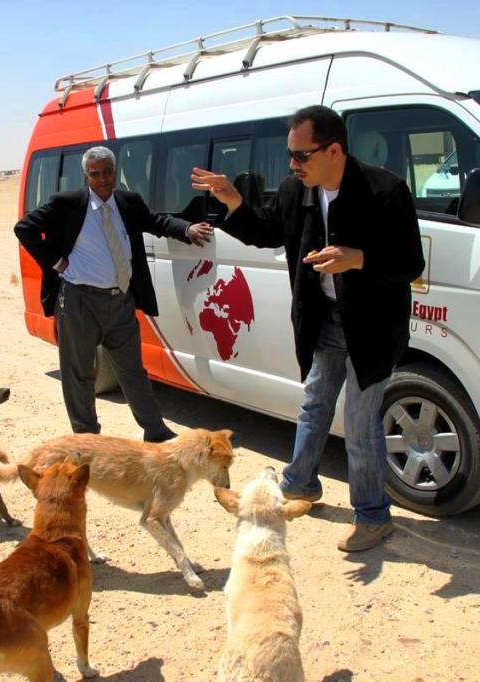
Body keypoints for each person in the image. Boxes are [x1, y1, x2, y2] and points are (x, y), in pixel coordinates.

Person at [191, 105, 425, 551]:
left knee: (360, 424)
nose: (293, 164)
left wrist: (357, 259)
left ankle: (373, 516)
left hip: (372, 327)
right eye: (290, 155)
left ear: (334, 150)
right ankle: (300, 484)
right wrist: (234, 201)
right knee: (315, 404)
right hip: (324, 319)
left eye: (302, 155)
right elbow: (267, 231)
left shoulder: (384, 190)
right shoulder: (295, 190)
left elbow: (410, 262)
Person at [16, 146, 213, 442]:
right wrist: (57, 263)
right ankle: (88, 438)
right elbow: (24, 228)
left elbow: (156, 221)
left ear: (114, 171)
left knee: (133, 370)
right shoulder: (67, 203)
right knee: (80, 374)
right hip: (79, 302)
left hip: (120, 301)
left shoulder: (127, 202)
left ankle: (155, 431)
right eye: (95, 174)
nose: (102, 179)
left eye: (107, 172)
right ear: (86, 175)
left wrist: (186, 229)